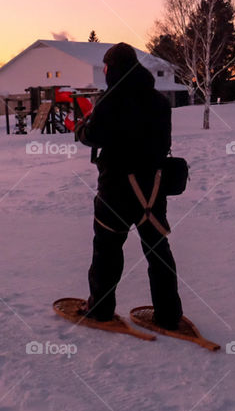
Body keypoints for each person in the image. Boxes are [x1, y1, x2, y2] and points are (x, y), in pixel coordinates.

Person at [75, 43, 183, 329]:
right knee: (158, 252)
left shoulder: (110, 101)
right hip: (153, 189)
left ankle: (99, 309)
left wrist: (81, 129)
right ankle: (169, 315)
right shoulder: (159, 101)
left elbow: (94, 136)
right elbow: (163, 144)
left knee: (107, 251)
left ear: (114, 68)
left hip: (116, 192)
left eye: (107, 67)